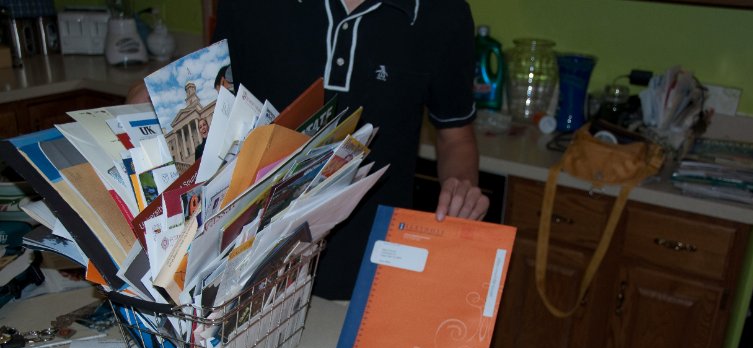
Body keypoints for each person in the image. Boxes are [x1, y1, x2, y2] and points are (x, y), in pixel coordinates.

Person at [129, 0, 488, 300]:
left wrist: (461, 188)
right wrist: (157, 105)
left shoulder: (443, 13)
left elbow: (455, 136)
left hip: (372, 268)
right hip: (246, 273)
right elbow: (219, 94)